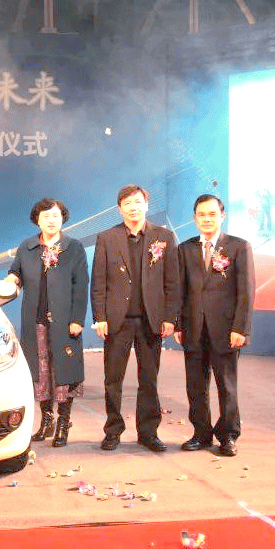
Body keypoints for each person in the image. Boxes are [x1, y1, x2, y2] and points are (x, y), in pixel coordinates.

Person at [91, 184, 180, 452]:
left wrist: (170, 317)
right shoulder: (107, 238)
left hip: (151, 320)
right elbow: (98, 281)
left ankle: (148, 433)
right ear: (120, 209)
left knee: (149, 379)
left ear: (146, 205)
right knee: (113, 380)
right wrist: (100, 317)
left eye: (138, 202)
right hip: (117, 321)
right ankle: (113, 431)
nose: (133, 207)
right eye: (127, 203)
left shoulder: (164, 237)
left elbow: (172, 281)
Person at [174, 194, 254, 457]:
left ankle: (228, 435)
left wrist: (241, 328)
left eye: (212, 214)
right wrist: (178, 325)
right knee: (195, 387)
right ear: (194, 218)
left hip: (226, 330)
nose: (206, 219)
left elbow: (246, 291)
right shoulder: (185, 249)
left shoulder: (239, 247)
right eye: (201, 215)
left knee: (226, 386)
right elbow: (179, 291)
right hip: (193, 329)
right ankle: (201, 434)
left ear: (222, 216)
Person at [5, 198, 88, 446]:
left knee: (64, 370)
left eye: (55, 216)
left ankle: (64, 422)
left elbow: (81, 286)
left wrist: (77, 319)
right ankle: (47, 420)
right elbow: (15, 273)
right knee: (40, 372)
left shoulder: (74, 248)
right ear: (37, 220)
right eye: (46, 216)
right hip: (35, 320)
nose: (51, 220)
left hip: (65, 321)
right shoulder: (27, 247)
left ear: (63, 219)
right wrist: (11, 280)